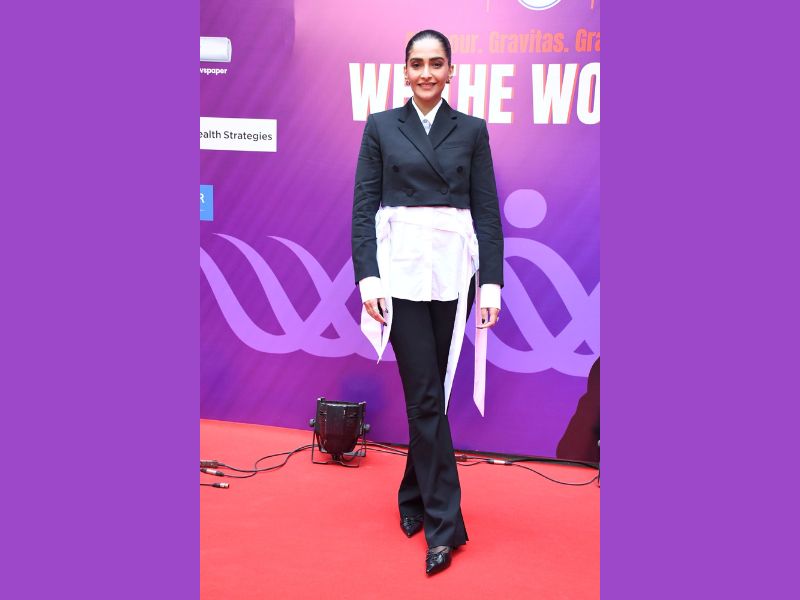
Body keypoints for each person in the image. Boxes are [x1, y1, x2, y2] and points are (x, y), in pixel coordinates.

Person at [351, 29, 504, 576]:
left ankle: (412, 494)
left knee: (433, 393)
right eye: (417, 64)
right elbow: (364, 207)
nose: (426, 73)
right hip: (401, 274)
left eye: (436, 64)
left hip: (453, 274)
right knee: (423, 395)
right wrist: (369, 280)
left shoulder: (473, 130)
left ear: (450, 71)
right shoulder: (380, 126)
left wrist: (490, 285)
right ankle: (446, 524)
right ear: (405, 70)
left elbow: (486, 211)